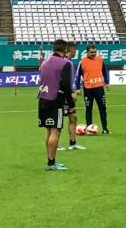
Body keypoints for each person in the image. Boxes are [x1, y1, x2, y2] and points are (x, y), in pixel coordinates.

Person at [38, 39, 74, 170]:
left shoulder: (44, 63)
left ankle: (50, 161)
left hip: (42, 97)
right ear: (65, 50)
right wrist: (71, 104)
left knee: (48, 130)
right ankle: (51, 163)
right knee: (55, 131)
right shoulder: (65, 63)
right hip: (55, 99)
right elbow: (65, 85)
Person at [77, 43, 111, 134]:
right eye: (91, 52)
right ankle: (89, 128)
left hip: (99, 88)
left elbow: (104, 71)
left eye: (95, 52)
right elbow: (78, 75)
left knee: (102, 108)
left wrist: (107, 82)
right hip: (88, 89)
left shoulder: (100, 60)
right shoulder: (82, 61)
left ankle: (105, 128)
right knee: (88, 109)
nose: (94, 54)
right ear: (87, 52)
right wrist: (77, 88)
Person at [60, 42, 85, 151]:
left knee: (73, 117)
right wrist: (72, 92)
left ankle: (72, 143)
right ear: (71, 50)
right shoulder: (65, 62)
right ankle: (57, 144)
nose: (76, 52)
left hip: (69, 94)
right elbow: (64, 81)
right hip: (65, 95)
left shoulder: (69, 62)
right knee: (60, 120)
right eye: (75, 50)